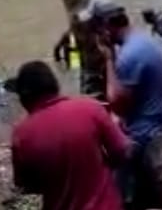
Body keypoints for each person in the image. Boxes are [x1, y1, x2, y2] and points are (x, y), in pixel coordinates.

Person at [11, 60, 130, 210]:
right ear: (55, 86)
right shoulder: (90, 108)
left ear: (24, 98)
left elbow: (27, 185)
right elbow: (121, 150)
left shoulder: (21, 135)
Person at [98, 2, 162, 209]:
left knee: (114, 186)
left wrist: (108, 60)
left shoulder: (128, 57)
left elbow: (116, 103)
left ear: (106, 29)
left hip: (145, 132)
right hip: (161, 120)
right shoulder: (143, 41)